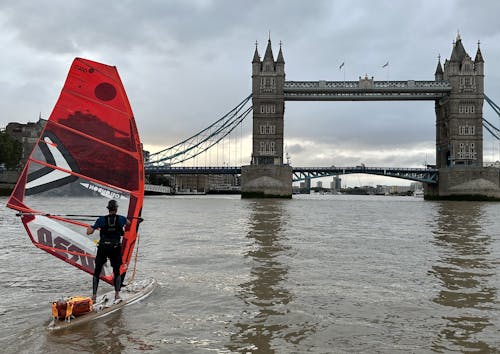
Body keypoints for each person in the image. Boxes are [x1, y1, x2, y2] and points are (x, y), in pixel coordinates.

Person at [86, 199, 130, 302]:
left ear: (108, 209)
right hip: (115, 248)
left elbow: (89, 232)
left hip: (103, 247)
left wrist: (91, 226)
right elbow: (129, 223)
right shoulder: (121, 219)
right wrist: (125, 220)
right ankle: (117, 295)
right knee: (117, 271)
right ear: (116, 209)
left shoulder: (101, 220)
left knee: (97, 272)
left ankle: (94, 296)